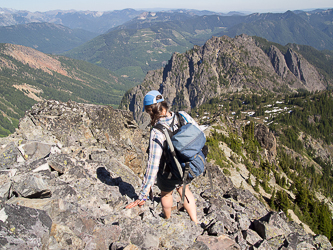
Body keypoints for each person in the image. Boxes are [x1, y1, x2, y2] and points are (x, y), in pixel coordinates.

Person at [125, 90, 200, 224]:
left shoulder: (157, 131)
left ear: (150, 111)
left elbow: (152, 166)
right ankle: (195, 222)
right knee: (185, 189)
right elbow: (197, 133)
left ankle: (167, 219)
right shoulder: (182, 115)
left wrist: (143, 194)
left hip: (168, 171)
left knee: (166, 193)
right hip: (186, 164)